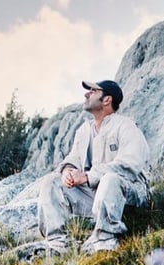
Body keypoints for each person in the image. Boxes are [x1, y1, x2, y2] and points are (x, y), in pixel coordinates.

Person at [37, 79, 151, 254]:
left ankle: (104, 239)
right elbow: (72, 159)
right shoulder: (84, 131)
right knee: (51, 181)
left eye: (93, 91)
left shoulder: (125, 126)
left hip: (129, 195)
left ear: (107, 100)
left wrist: (88, 176)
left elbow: (129, 165)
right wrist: (68, 172)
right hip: (95, 197)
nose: (86, 94)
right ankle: (57, 242)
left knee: (110, 179)